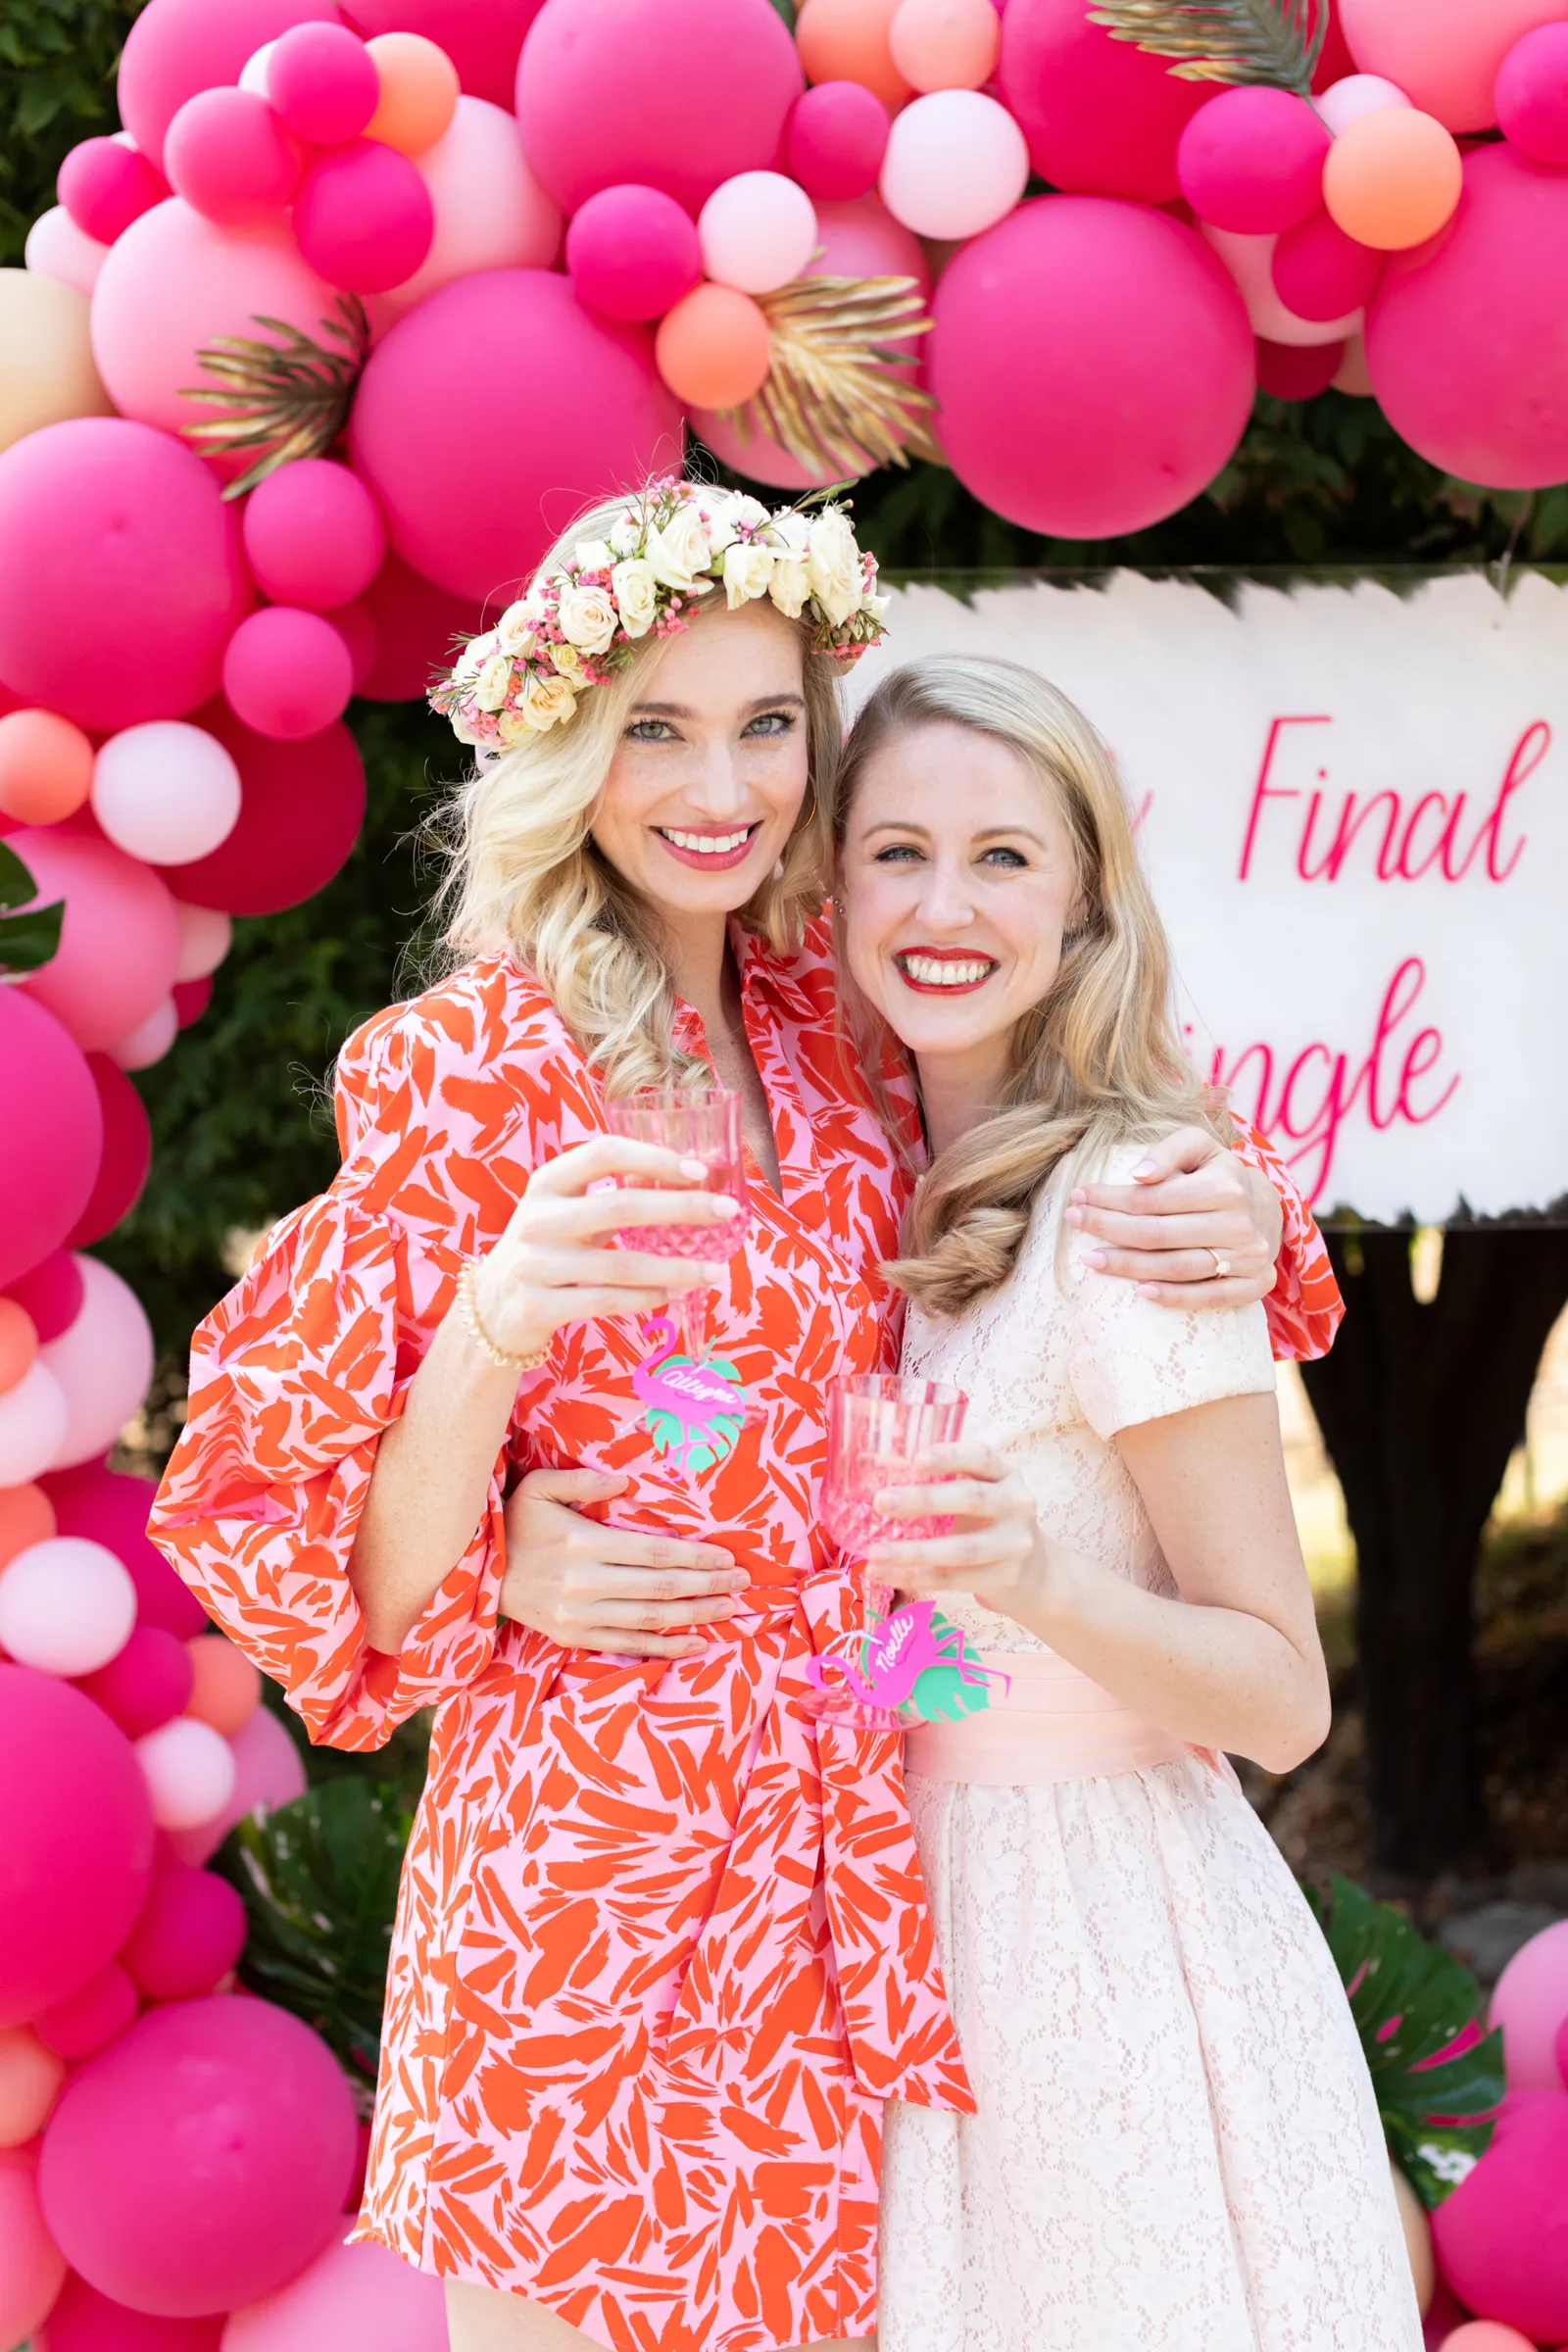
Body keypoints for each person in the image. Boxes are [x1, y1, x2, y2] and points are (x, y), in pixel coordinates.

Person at [148, 484, 1335, 2352]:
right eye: (659, 729)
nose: (721, 789)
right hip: (583, 1881)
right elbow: (336, 1570)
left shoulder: (829, 1030)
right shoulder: (475, 1067)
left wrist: (1248, 1200)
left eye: (766, 725)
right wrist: (489, 1360)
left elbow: (1056, 1107)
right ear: (572, 750)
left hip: (833, 1887)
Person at [823, 657, 1419, 2352]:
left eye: (1005, 856)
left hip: (1106, 1943)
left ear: (1085, 900)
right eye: (898, 852)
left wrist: (1034, 1577)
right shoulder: (876, 1185)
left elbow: (1284, 1699)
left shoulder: (1141, 1206)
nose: (946, 905)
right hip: (907, 1930)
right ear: (833, 886)